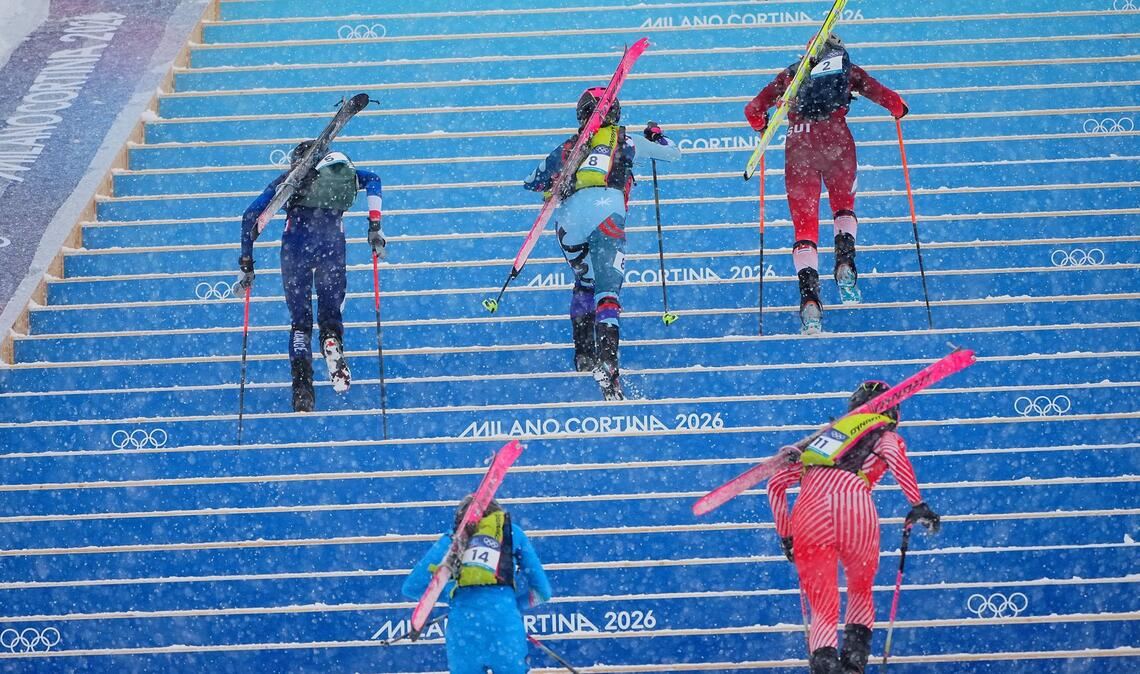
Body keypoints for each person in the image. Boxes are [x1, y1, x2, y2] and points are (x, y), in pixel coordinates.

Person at [766, 381, 941, 674]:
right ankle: (853, 666)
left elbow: (775, 485)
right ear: (892, 413)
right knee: (860, 591)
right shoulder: (882, 434)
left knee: (822, 607)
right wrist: (917, 503)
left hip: (811, 513)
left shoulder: (821, 445)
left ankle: (826, 668)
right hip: (855, 506)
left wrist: (787, 537)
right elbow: (895, 456)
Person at [523, 88, 682, 400]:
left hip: (568, 222)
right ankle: (607, 363)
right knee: (607, 291)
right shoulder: (628, 139)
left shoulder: (570, 146)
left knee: (585, 282)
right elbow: (673, 152)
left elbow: (533, 180)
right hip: (607, 212)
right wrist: (656, 135)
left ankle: (583, 355)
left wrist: (554, 182)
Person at [744, 34, 908, 334]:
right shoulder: (848, 71)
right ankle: (845, 260)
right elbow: (887, 98)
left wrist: (763, 126)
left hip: (800, 144)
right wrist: (899, 108)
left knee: (805, 227)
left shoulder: (791, 74)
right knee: (843, 206)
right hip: (838, 140)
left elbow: (752, 110)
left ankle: (810, 298)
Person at [235, 141, 386, 412]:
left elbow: (249, 216)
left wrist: (247, 262)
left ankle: (303, 389)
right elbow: (374, 179)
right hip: (332, 245)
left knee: (300, 323)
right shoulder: (339, 179)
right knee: (330, 315)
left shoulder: (287, 181)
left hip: (295, 248)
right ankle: (331, 340)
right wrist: (374, 225)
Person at [402, 497, 553, 674]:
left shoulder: (452, 538)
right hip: (505, 628)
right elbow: (543, 592)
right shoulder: (513, 533)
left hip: (463, 631)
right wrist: (513, 606)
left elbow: (412, 587)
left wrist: (454, 599)